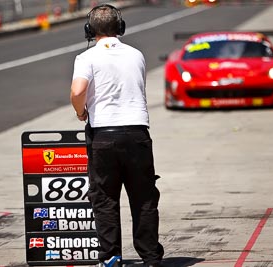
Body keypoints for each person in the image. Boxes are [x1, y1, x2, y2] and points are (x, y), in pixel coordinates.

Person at [70, 4, 164, 267]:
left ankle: (111, 257)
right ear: (120, 27)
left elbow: (78, 92)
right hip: (137, 133)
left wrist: (81, 112)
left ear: (90, 30)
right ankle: (151, 257)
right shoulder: (136, 54)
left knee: (105, 199)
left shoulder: (86, 58)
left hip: (104, 136)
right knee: (143, 198)